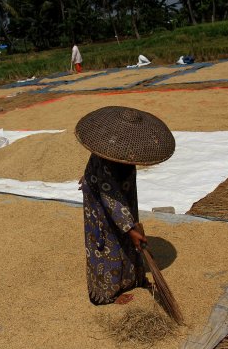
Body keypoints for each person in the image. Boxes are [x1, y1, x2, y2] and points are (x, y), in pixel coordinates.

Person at [75, 106, 175, 305]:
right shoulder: (106, 157)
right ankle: (107, 294)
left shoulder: (120, 150)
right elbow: (110, 197)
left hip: (122, 199)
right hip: (102, 204)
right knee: (106, 244)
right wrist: (129, 227)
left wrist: (131, 226)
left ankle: (132, 279)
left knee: (128, 243)